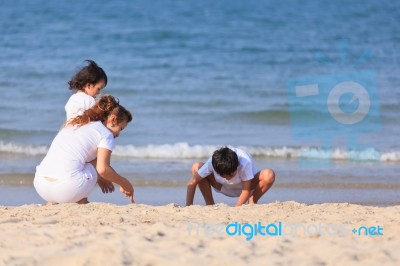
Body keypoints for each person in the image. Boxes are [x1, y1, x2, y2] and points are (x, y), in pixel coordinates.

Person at [34, 95, 134, 204]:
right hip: (66, 190)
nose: (118, 134)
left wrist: (100, 178)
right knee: (99, 161)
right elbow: (102, 169)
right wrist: (125, 183)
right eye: (120, 128)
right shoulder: (106, 134)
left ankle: (59, 200)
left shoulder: (76, 124)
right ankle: (80, 200)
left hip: (41, 185)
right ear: (113, 119)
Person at [186, 146, 275, 207]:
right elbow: (191, 183)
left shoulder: (244, 161)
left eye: (231, 175)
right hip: (222, 186)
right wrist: (188, 207)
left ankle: (252, 201)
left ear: (238, 164)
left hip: (245, 189)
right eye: (224, 176)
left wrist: (236, 209)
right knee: (196, 167)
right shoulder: (212, 162)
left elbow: (246, 191)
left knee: (269, 174)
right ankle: (210, 204)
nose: (228, 178)